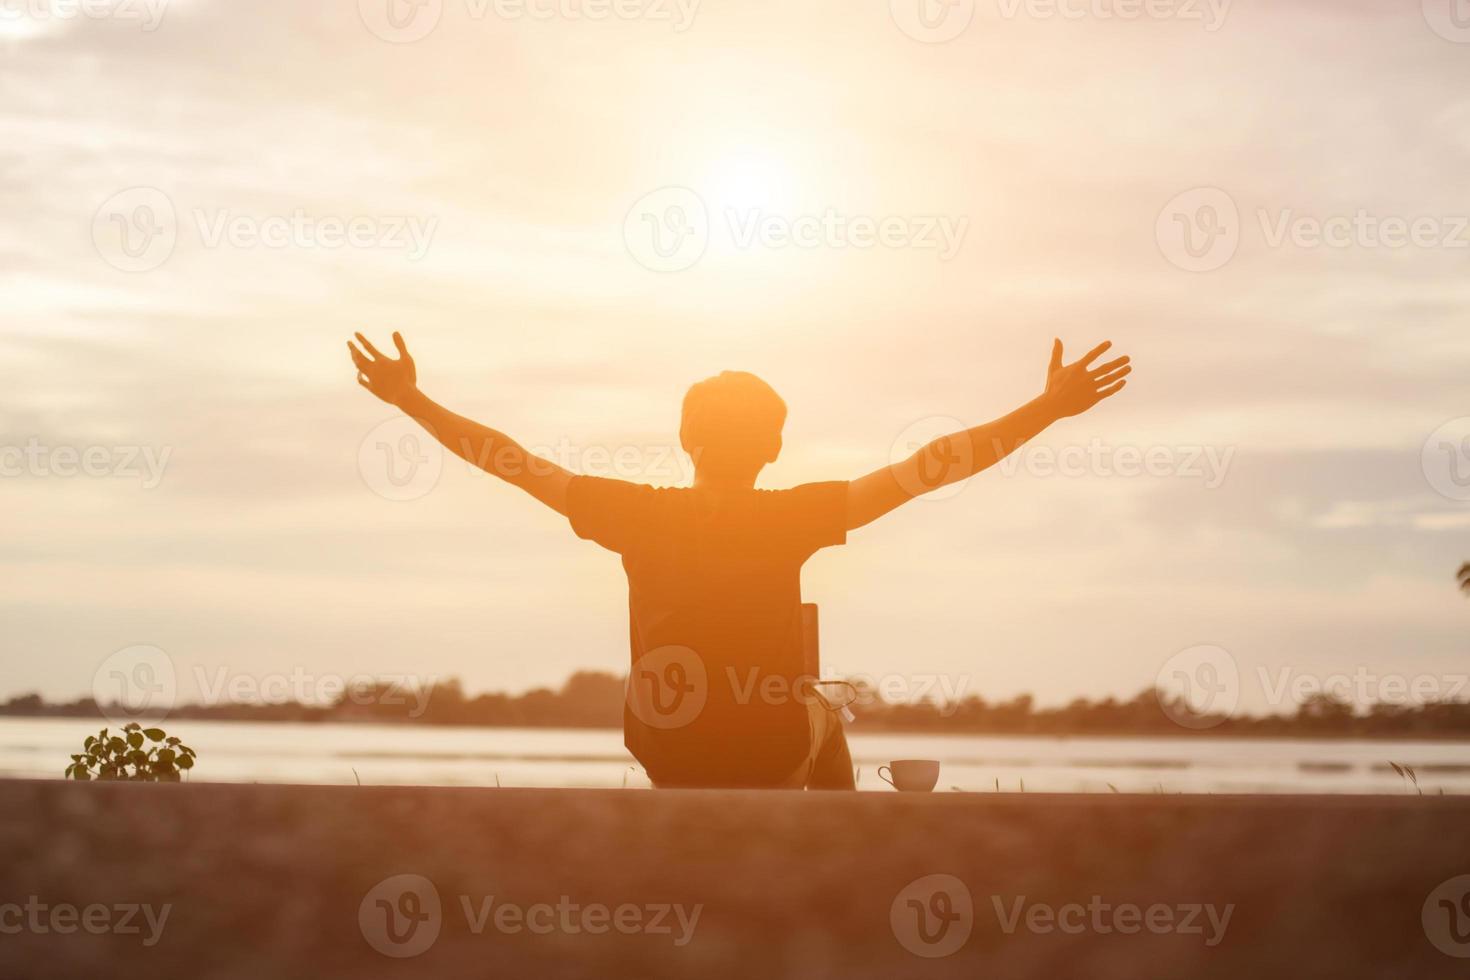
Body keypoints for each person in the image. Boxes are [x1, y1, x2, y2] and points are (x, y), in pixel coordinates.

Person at [348, 332, 1130, 789]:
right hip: (769, 748)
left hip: (667, 748)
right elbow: (936, 465)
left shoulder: (635, 512)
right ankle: (837, 852)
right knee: (824, 709)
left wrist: (412, 402)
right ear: (775, 447)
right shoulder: (795, 516)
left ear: (686, 439)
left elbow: (507, 460)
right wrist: (1047, 408)